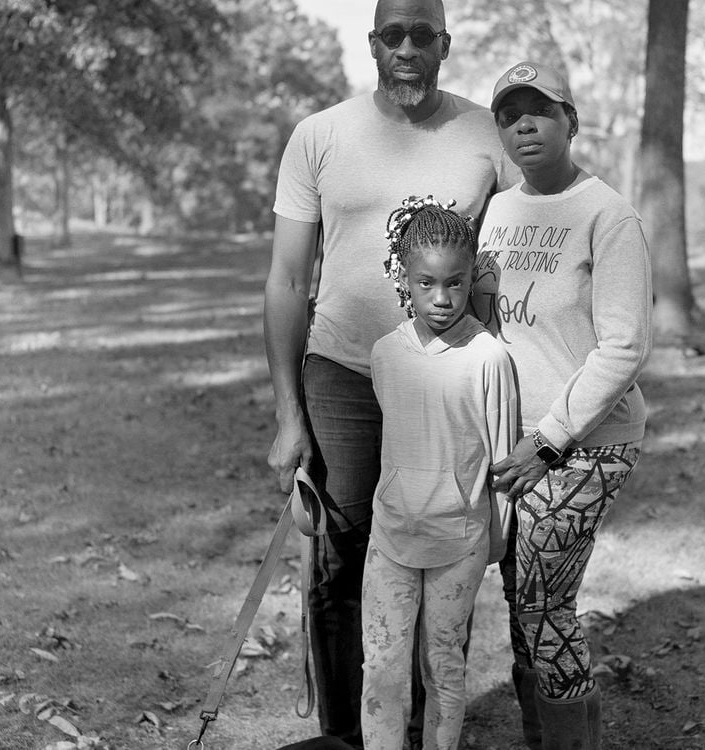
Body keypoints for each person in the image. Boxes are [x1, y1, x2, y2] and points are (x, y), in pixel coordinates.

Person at [263, 1, 513, 746]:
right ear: (373, 42)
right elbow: (284, 281)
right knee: (341, 560)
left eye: (422, 35)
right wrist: (287, 413)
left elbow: (543, 226)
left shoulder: (486, 136)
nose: (407, 48)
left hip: (448, 380)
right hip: (341, 374)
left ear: (445, 43)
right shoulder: (320, 136)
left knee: (444, 550)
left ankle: (427, 728)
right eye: (392, 34)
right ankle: (350, 736)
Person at [472, 61, 653, 750]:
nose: (525, 123)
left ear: (569, 122)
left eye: (541, 110)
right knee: (523, 600)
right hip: (517, 443)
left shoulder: (607, 215)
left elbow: (624, 346)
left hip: (586, 441)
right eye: (510, 113)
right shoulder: (497, 211)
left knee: (544, 603)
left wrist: (548, 440)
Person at [360, 196, 516, 750]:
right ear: (405, 277)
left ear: (471, 275)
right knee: (381, 669)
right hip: (392, 537)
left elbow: (503, 459)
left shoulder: (488, 358)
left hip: (460, 542)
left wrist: (496, 541)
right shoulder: (385, 354)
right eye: (427, 283)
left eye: (455, 282)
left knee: (443, 668)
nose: (443, 298)